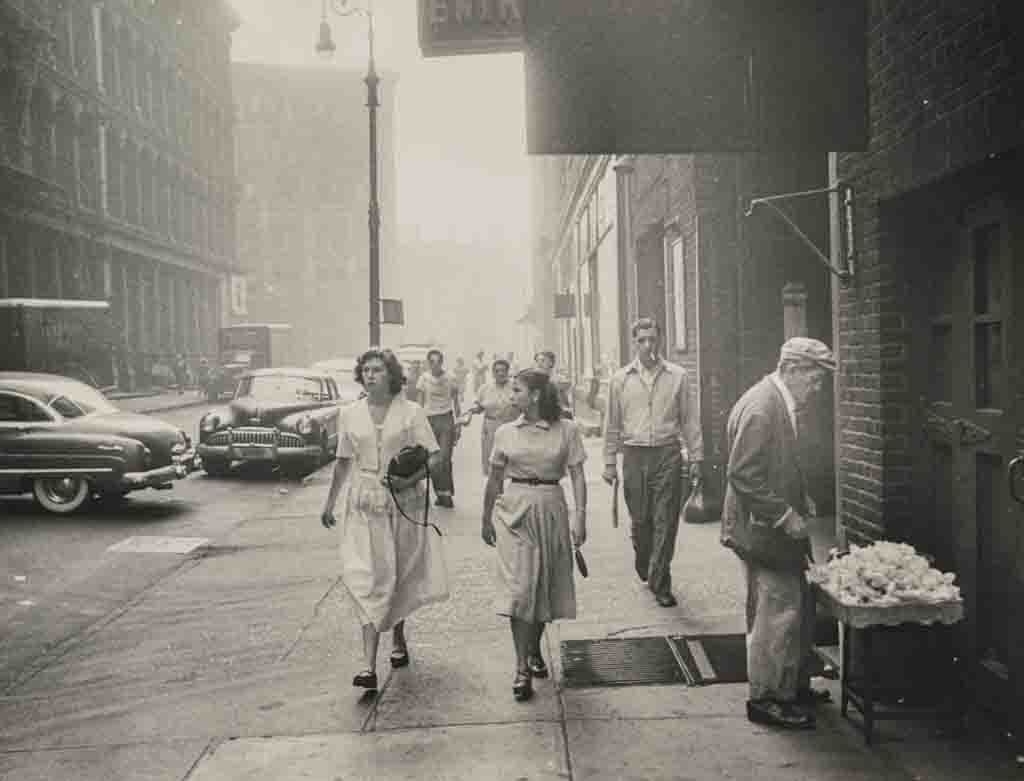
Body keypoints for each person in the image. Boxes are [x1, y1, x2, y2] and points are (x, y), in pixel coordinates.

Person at [720, 337, 836, 730]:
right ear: (792, 370)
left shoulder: (775, 401)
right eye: (815, 379)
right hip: (763, 532)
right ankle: (767, 698)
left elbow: (778, 462)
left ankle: (793, 685)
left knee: (796, 606)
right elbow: (743, 474)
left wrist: (802, 496)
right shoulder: (762, 407)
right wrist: (786, 514)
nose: (818, 389)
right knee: (775, 613)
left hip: (772, 529)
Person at [321, 348, 449, 693]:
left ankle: (398, 636)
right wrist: (329, 503)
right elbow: (343, 461)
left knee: (399, 572)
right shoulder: (349, 413)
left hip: (403, 502)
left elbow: (435, 457)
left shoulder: (411, 412)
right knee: (367, 576)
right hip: (364, 504)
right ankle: (367, 666)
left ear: (391, 375)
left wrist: (410, 480)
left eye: (377, 369)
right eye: (365, 370)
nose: (370, 375)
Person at [481, 369, 587, 702]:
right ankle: (521, 667)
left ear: (537, 395)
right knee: (520, 589)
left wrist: (580, 519)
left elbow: (578, 476)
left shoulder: (567, 430)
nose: (511, 397)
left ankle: (532, 649)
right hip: (514, 512)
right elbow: (495, 480)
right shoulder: (504, 433)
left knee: (544, 587)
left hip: (552, 508)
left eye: (517, 390)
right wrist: (486, 519)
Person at [601, 317, 703, 608]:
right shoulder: (620, 379)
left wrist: (696, 457)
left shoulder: (677, 376)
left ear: (660, 340)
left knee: (665, 520)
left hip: (667, 454)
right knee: (641, 520)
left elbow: (689, 420)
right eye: (641, 340)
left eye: (652, 339)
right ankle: (644, 556)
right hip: (634, 456)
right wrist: (609, 461)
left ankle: (661, 582)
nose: (648, 346)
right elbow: (612, 424)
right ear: (634, 342)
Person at [417, 349, 461, 508]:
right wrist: (418, 424)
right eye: (432, 361)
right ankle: (440, 494)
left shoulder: (451, 378)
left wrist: (459, 424)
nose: (435, 365)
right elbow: (419, 404)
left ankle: (447, 493)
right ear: (428, 363)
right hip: (429, 420)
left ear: (442, 362)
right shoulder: (423, 379)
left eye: (438, 361)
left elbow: (456, 403)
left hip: (446, 419)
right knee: (433, 458)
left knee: (445, 457)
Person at [458, 358, 518, 475]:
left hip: (511, 427)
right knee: (493, 464)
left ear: (508, 371)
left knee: (512, 463)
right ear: (492, 373)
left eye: (503, 370)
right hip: (491, 428)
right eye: (497, 371)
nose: (500, 373)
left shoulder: (516, 387)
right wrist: (469, 413)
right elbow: (478, 407)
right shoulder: (485, 388)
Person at [534, 349, 573, 417]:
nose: (539, 363)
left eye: (543, 360)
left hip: (559, 414)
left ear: (551, 363)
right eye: (537, 361)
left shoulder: (560, 380)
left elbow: (565, 400)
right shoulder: (533, 380)